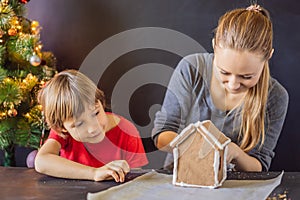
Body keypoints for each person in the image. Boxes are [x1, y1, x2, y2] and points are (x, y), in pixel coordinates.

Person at [152, 4, 289, 172]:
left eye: (247, 77)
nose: (233, 84)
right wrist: (194, 147)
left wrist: (235, 153)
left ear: (268, 56)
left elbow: (259, 165)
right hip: (179, 177)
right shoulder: (192, 68)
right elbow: (161, 136)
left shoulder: (276, 96)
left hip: (235, 186)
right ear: (214, 46)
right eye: (224, 72)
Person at [35, 69, 148, 182]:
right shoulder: (63, 133)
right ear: (62, 128)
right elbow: (41, 161)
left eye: (95, 113)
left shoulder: (127, 131)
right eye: (79, 124)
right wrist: (94, 173)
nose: (93, 128)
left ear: (100, 103)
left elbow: (135, 180)